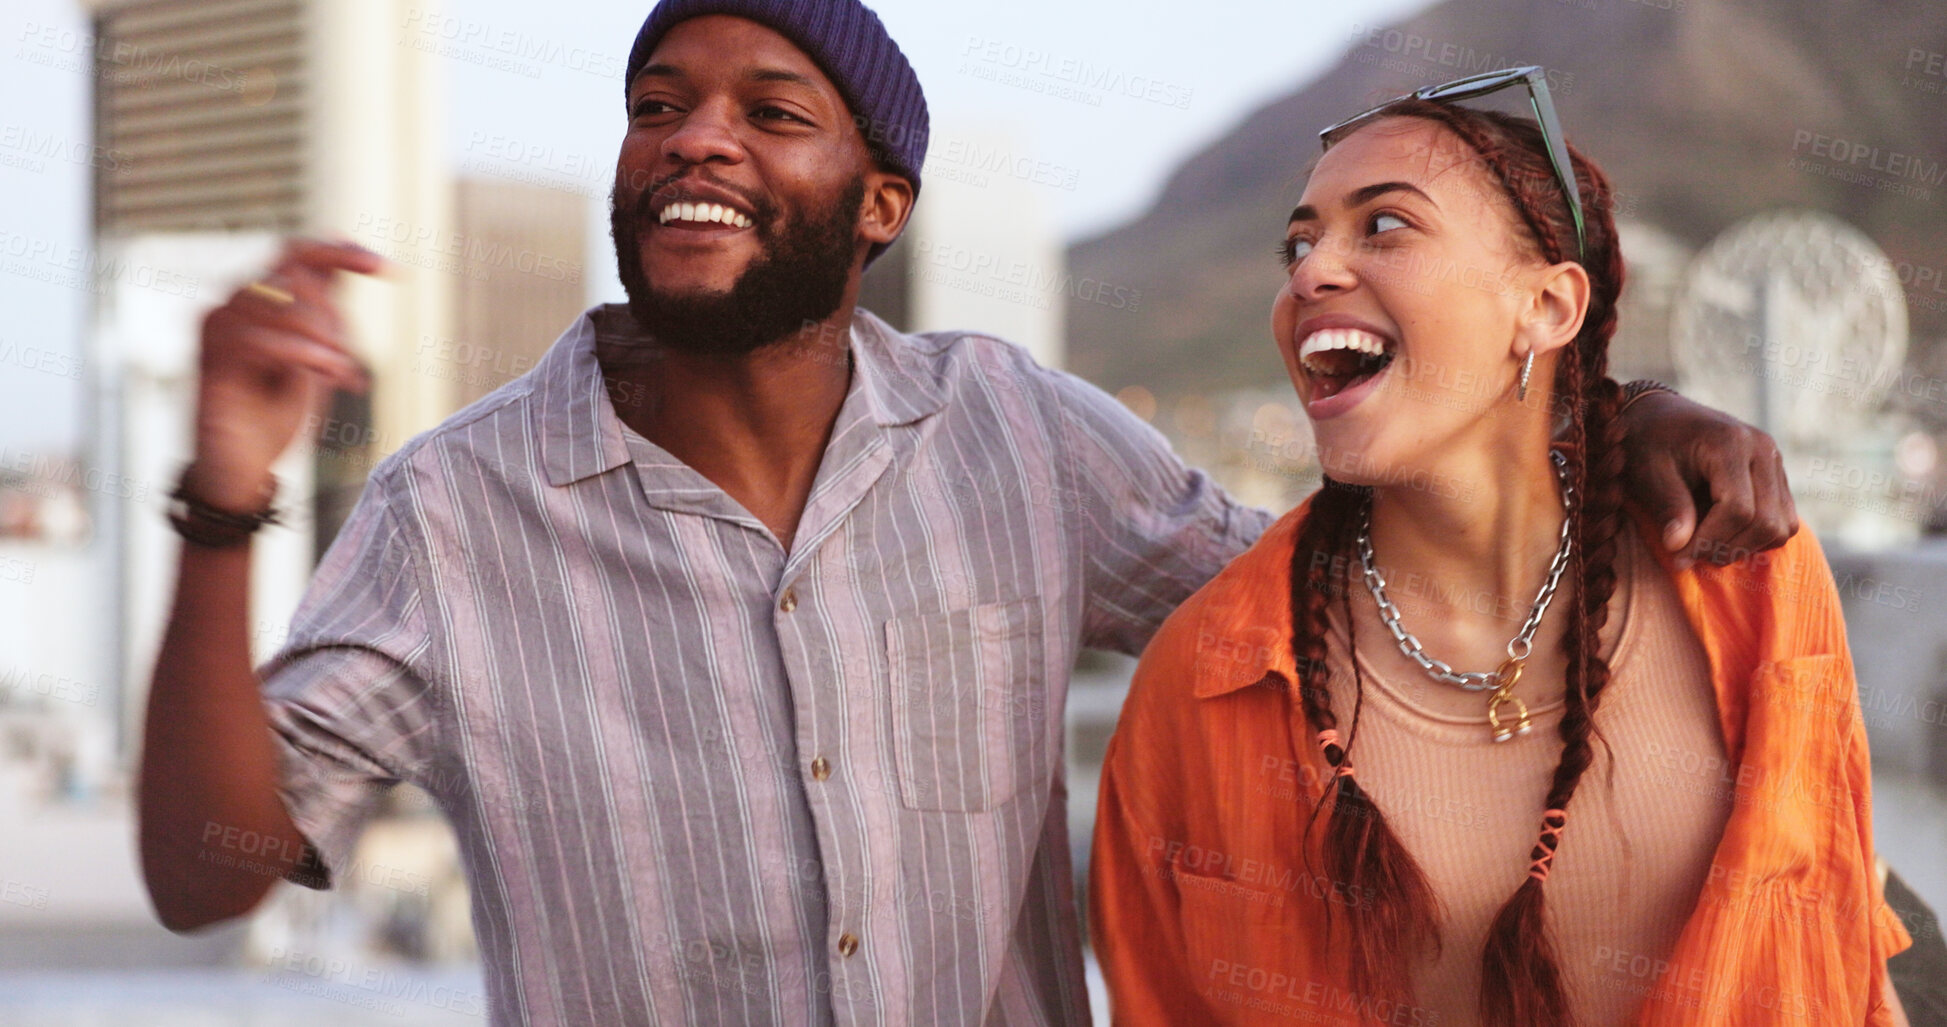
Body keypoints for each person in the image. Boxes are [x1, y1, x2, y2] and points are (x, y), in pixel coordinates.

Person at [136, 4, 1799, 1021]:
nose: (693, 136)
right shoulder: (454, 505)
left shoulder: (1014, 429)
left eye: (766, 111)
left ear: (878, 206)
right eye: (657, 105)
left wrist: (1590, 411)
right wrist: (224, 496)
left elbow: (1328, 605)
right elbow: (211, 871)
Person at [1088, 70, 1914, 1026]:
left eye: (1385, 225)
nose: (1309, 271)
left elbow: (1839, 956)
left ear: (1548, 308)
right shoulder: (1199, 679)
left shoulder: (1746, 573)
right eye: (1298, 243)